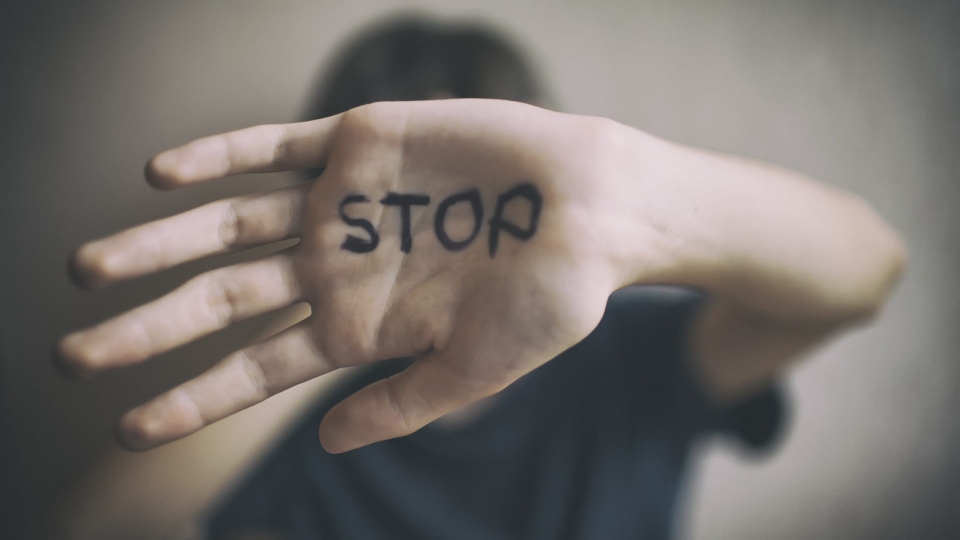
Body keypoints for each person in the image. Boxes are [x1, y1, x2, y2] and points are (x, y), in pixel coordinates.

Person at [55, 16, 906, 540]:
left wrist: (631, 194)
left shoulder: (634, 358)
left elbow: (869, 269)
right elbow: (107, 527)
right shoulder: (321, 432)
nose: (438, 257)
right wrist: (320, 321)